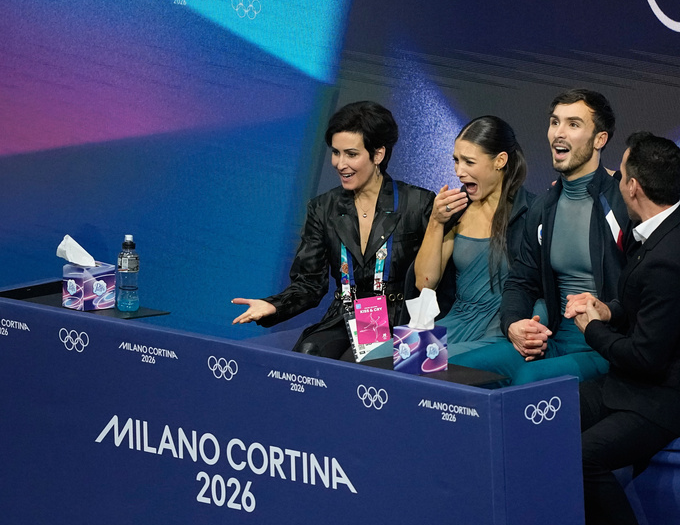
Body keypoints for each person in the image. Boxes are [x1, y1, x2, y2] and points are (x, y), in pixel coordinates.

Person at [565, 132, 680, 525]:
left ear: (633, 187)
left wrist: (593, 327)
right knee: (547, 416)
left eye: (621, 174)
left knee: (583, 456)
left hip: (674, 396)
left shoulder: (669, 262)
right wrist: (610, 309)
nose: (618, 179)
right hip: (639, 383)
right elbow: (655, 307)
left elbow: (645, 358)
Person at [231, 101, 433, 361]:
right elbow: (310, 283)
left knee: (363, 360)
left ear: (378, 154)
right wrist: (273, 305)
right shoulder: (323, 207)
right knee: (311, 350)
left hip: (399, 317)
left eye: (351, 154)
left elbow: (438, 281)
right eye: (335, 153)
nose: (339, 163)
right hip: (345, 315)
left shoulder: (418, 204)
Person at [451, 89, 629, 384]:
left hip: (605, 348)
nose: (559, 133)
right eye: (555, 122)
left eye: (573, 124)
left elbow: (645, 290)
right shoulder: (544, 206)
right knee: (448, 369)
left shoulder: (624, 201)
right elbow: (521, 281)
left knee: (528, 379)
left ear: (600, 139)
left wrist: (609, 312)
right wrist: (514, 325)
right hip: (553, 343)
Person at [411, 116, 533, 356]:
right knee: (379, 360)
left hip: (501, 329)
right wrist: (436, 222)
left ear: (500, 161)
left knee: (430, 367)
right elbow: (424, 283)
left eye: (468, 162)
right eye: (456, 161)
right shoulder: (457, 211)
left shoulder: (531, 212)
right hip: (457, 322)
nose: (458, 171)